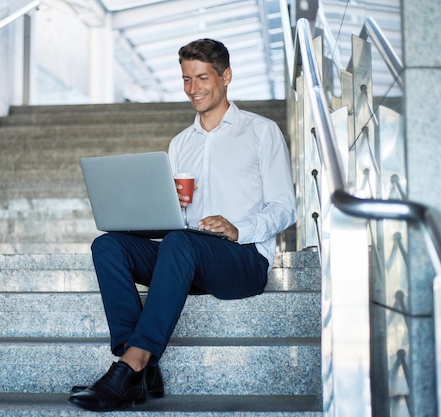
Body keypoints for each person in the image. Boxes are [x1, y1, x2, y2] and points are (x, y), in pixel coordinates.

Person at [68, 38, 297, 412]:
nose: (193, 89)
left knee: (180, 242)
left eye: (202, 77)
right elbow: (177, 224)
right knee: (109, 246)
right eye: (186, 79)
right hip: (186, 254)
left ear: (226, 77)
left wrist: (237, 227)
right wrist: (159, 212)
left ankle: (134, 364)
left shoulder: (261, 131)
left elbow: (285, 208)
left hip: (243, 259)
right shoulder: (180, 144)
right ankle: (139, 369)